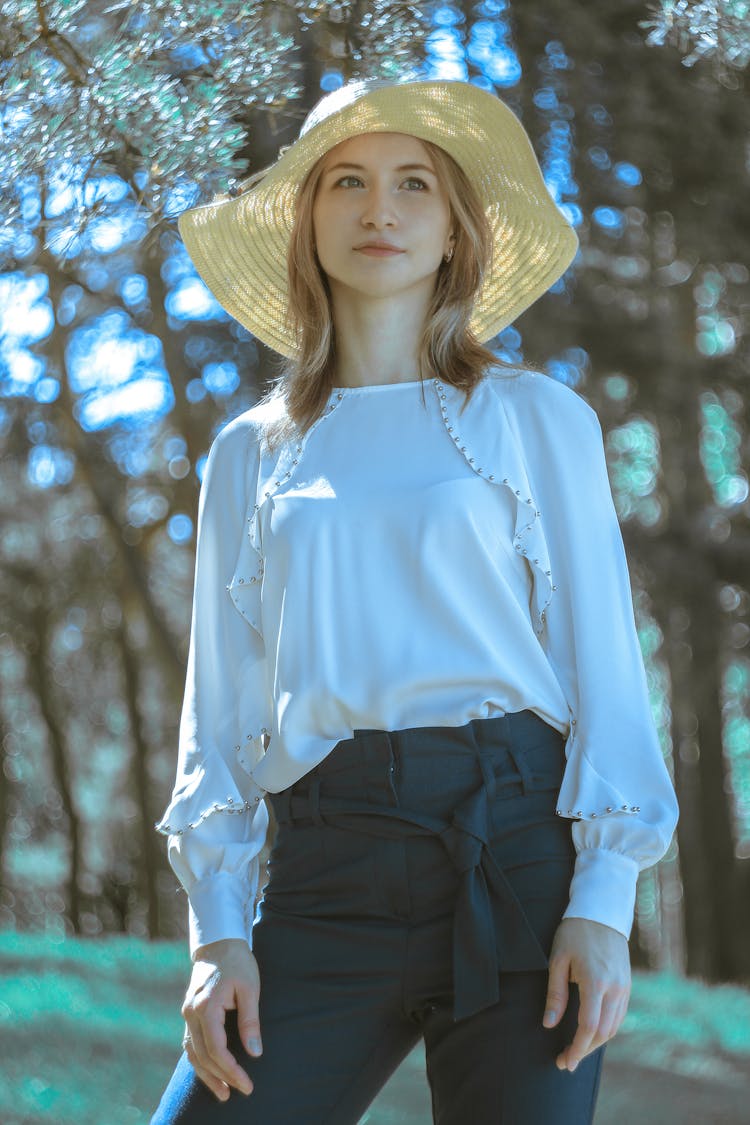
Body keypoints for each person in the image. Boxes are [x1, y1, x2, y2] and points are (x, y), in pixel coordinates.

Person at [149, 77, 679, 1124]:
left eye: (413, 186)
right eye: (346, 182)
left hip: (516, 853)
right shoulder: (249, 455)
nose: (378, 210)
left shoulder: (535, 419)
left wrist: (603, 900)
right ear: (307, 225)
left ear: (453, 232)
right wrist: (218, 933)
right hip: (324, 870)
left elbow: (605, 665)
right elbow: (220, 705)